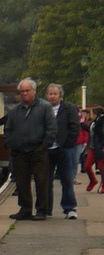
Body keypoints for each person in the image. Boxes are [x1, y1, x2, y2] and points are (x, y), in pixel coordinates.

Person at [4, 78, 54, 220]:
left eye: (27, 91)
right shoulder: (15, 111)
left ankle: (42, 210)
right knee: (22, 182)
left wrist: (44, 145)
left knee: (41, 181)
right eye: (22, 91)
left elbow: (51, 128)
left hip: (38, 151)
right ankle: (25, 209)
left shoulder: (45, 107)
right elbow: (8, 129)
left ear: (34, 91)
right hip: (20, 152)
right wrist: (10, 144)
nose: (24, 93)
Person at [46, 83, 80, 218]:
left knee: (66, 179)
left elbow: (74, 127)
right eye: (50, 94)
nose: (52, 96)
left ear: (60, 96)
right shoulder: (43, 109)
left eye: (55, 94)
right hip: (47, 149)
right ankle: (45, 208)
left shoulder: (69, 108)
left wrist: (67, 143)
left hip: (64, 149)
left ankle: (69, 208)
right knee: (45, 181)